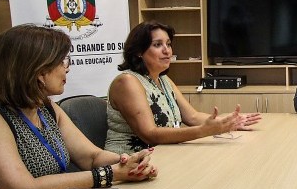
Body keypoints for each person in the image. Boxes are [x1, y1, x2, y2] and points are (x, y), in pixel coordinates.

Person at [0, 24, 157, 189]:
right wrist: (109, 174)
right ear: (38, 70)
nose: (67, 68)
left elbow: (91, 156)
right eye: (62, 61)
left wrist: (127, 161)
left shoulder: (46, 107)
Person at [105, 21, 260, 154]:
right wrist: (203, 131)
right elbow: (150, 134)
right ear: (139, 51)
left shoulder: (163, 79)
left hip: (164, 154)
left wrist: (226, 122)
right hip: (129, 162)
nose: (167, 50)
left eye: (168, 44)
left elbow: (192, 116)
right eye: (158, 45)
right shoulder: (127, 82)